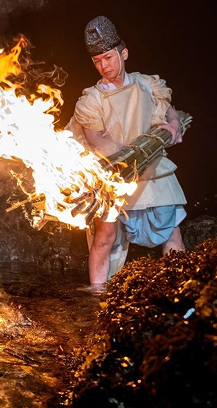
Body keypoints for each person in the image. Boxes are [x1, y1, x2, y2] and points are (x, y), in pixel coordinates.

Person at [66, 16, 187, 285]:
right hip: (113, 172)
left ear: (124, 53)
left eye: (108, 58)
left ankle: (178, 290)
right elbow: (96, 140)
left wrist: (174, 123)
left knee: (172, 232)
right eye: (97, 61)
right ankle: (97, 300)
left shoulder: (146, 84)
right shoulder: (91, 100)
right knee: (105, 238)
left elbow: (166, 106)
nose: (103, 66)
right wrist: (131, 157)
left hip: (152, 168)